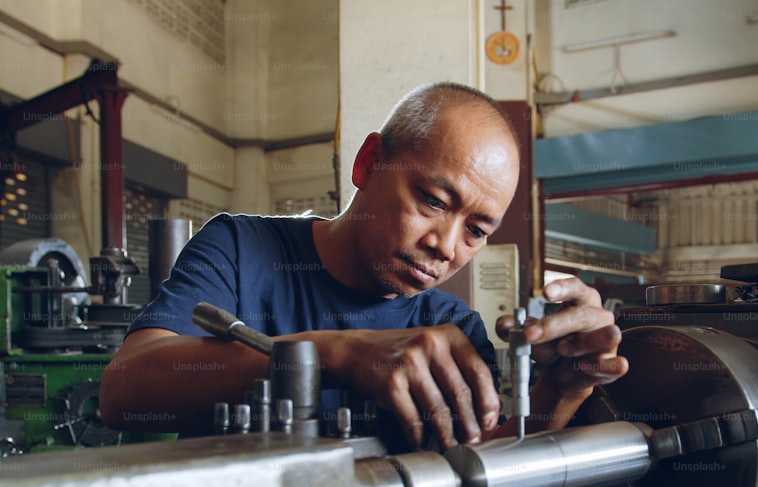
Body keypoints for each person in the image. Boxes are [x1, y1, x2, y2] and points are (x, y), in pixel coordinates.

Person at [100, 82, 628, 449]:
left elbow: (481, 469)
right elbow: (124, 392)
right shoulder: (241, 250)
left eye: (476, 230)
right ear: (368, 163)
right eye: (434, 201)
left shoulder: (450, 330)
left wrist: (563, 390)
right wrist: (334, 353)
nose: (446, 246)